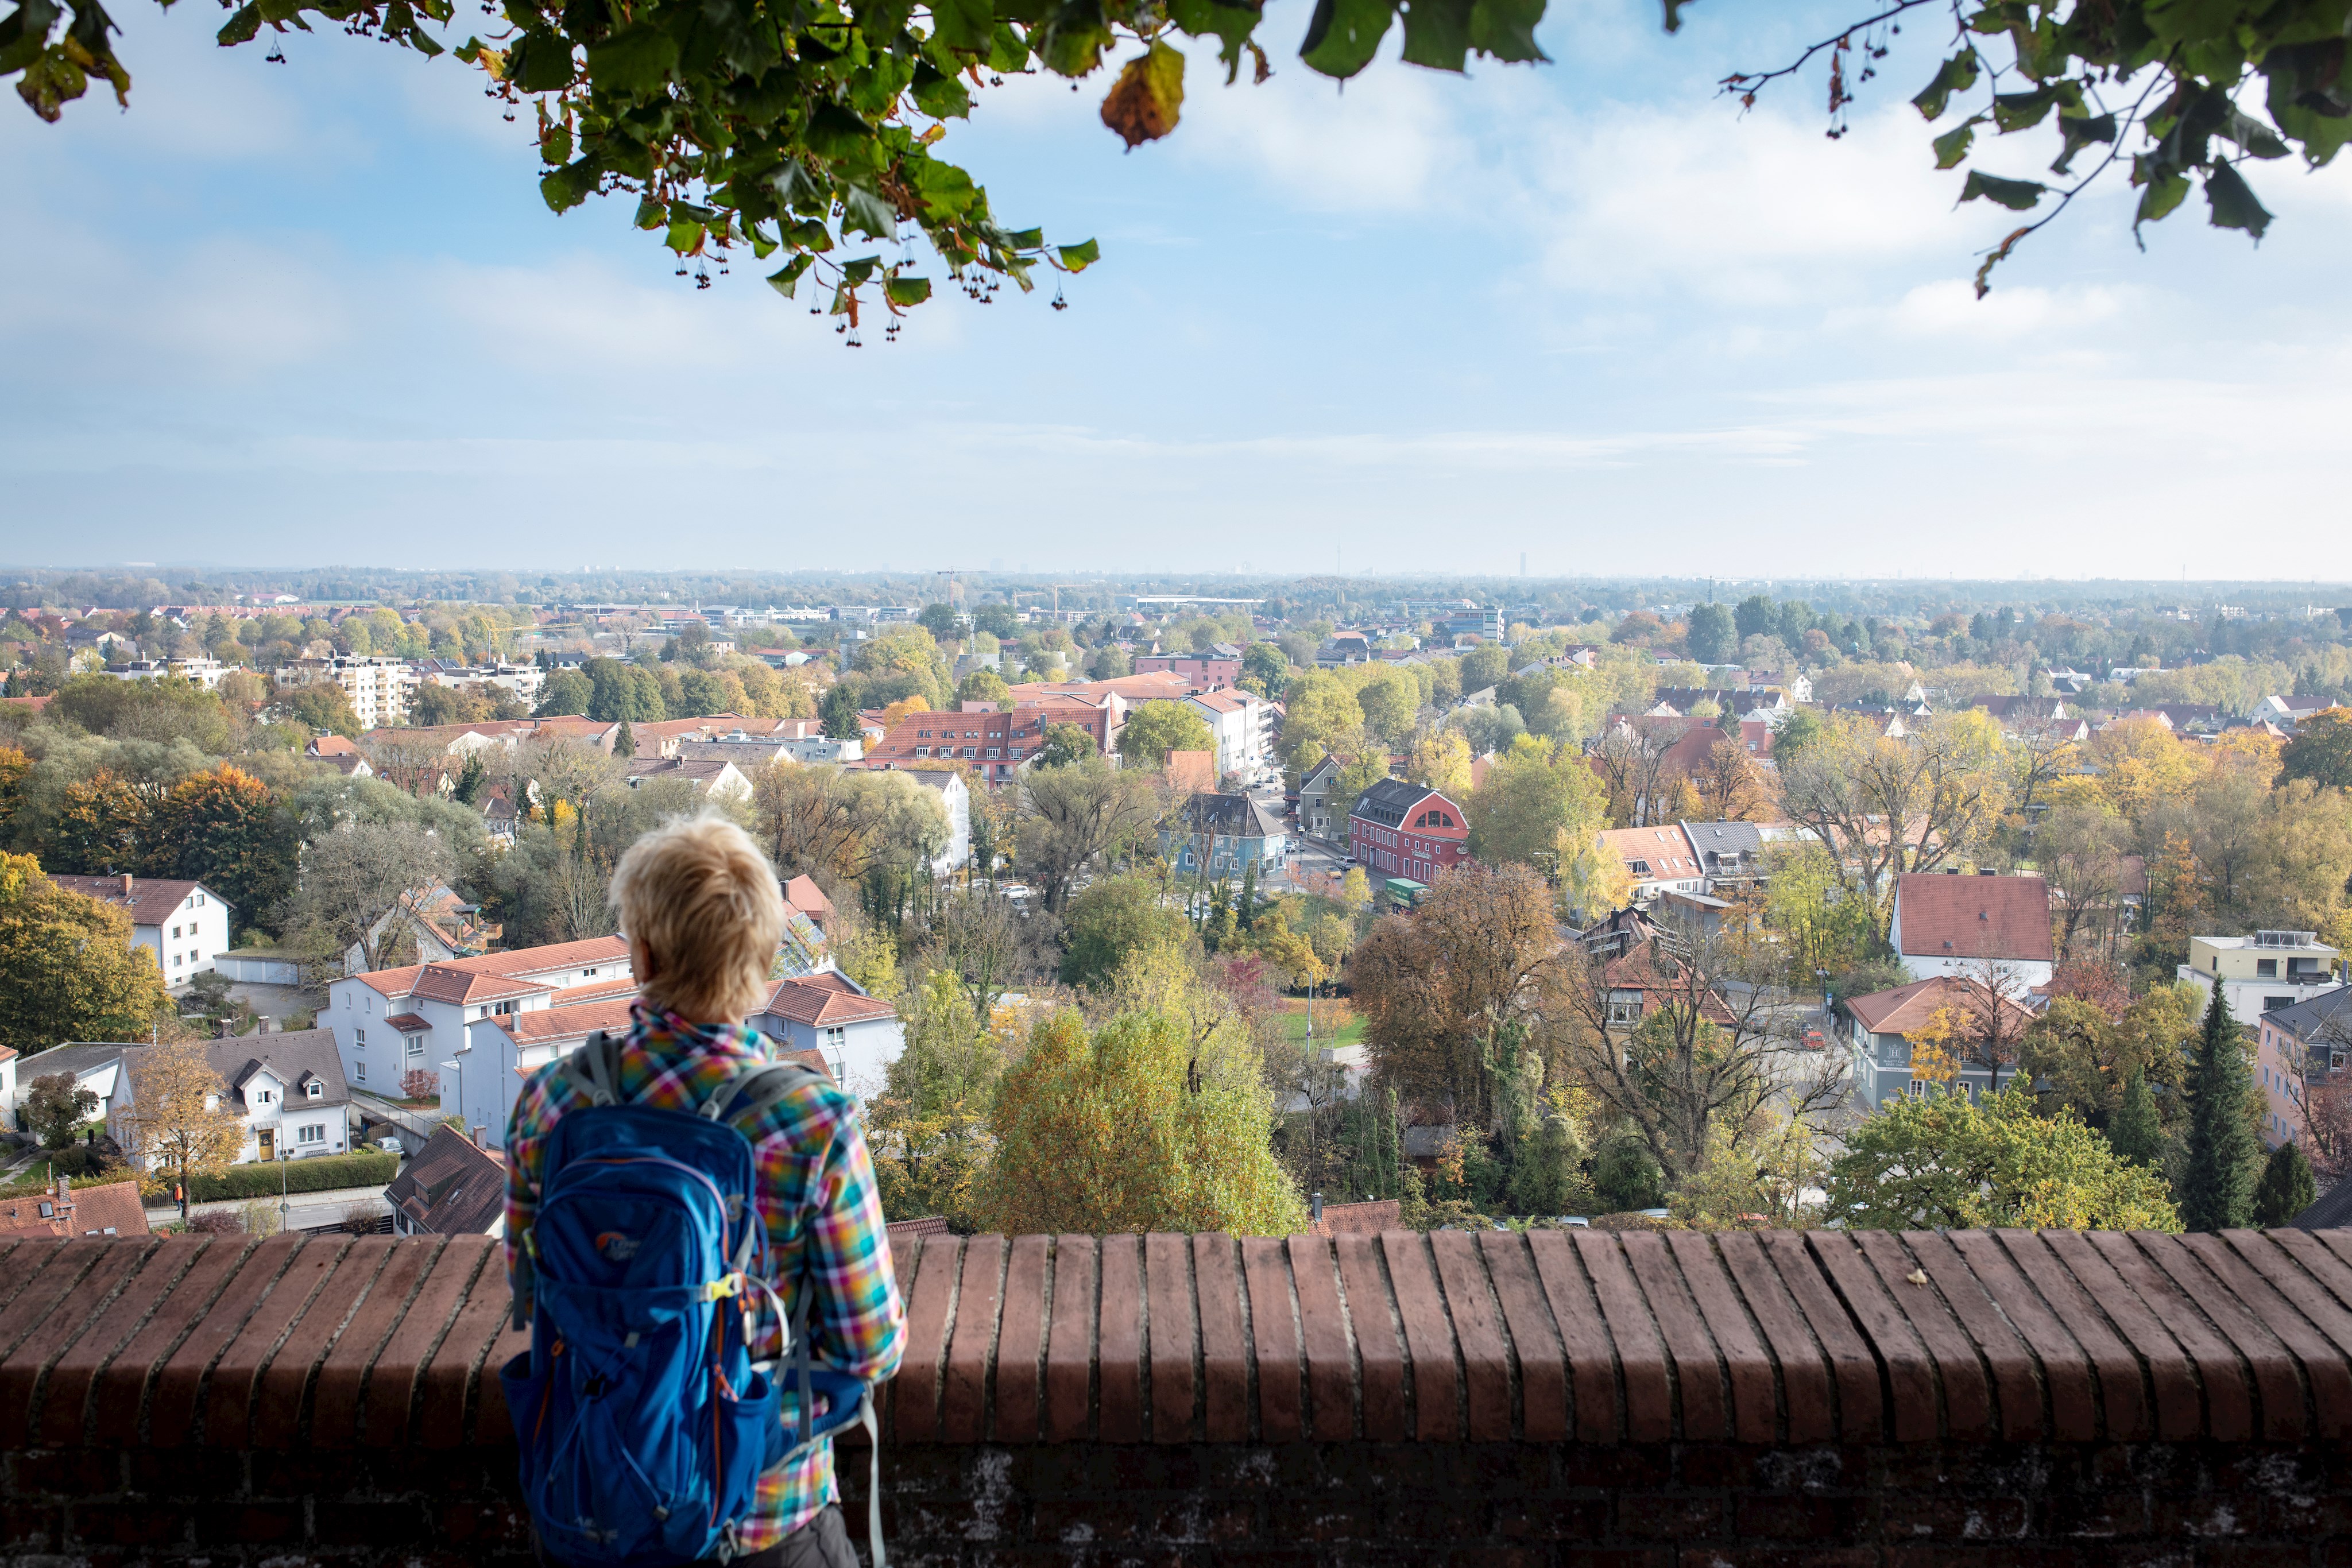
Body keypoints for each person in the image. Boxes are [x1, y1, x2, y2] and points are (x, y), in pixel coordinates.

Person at [504, 814, 905, 1568]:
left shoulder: (554, 1105)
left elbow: (532, 1291)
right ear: (760, 957)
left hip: (594, 1511)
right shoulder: (812, 1120)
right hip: (766, 1524)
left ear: (642, 952)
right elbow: (871, 1348)